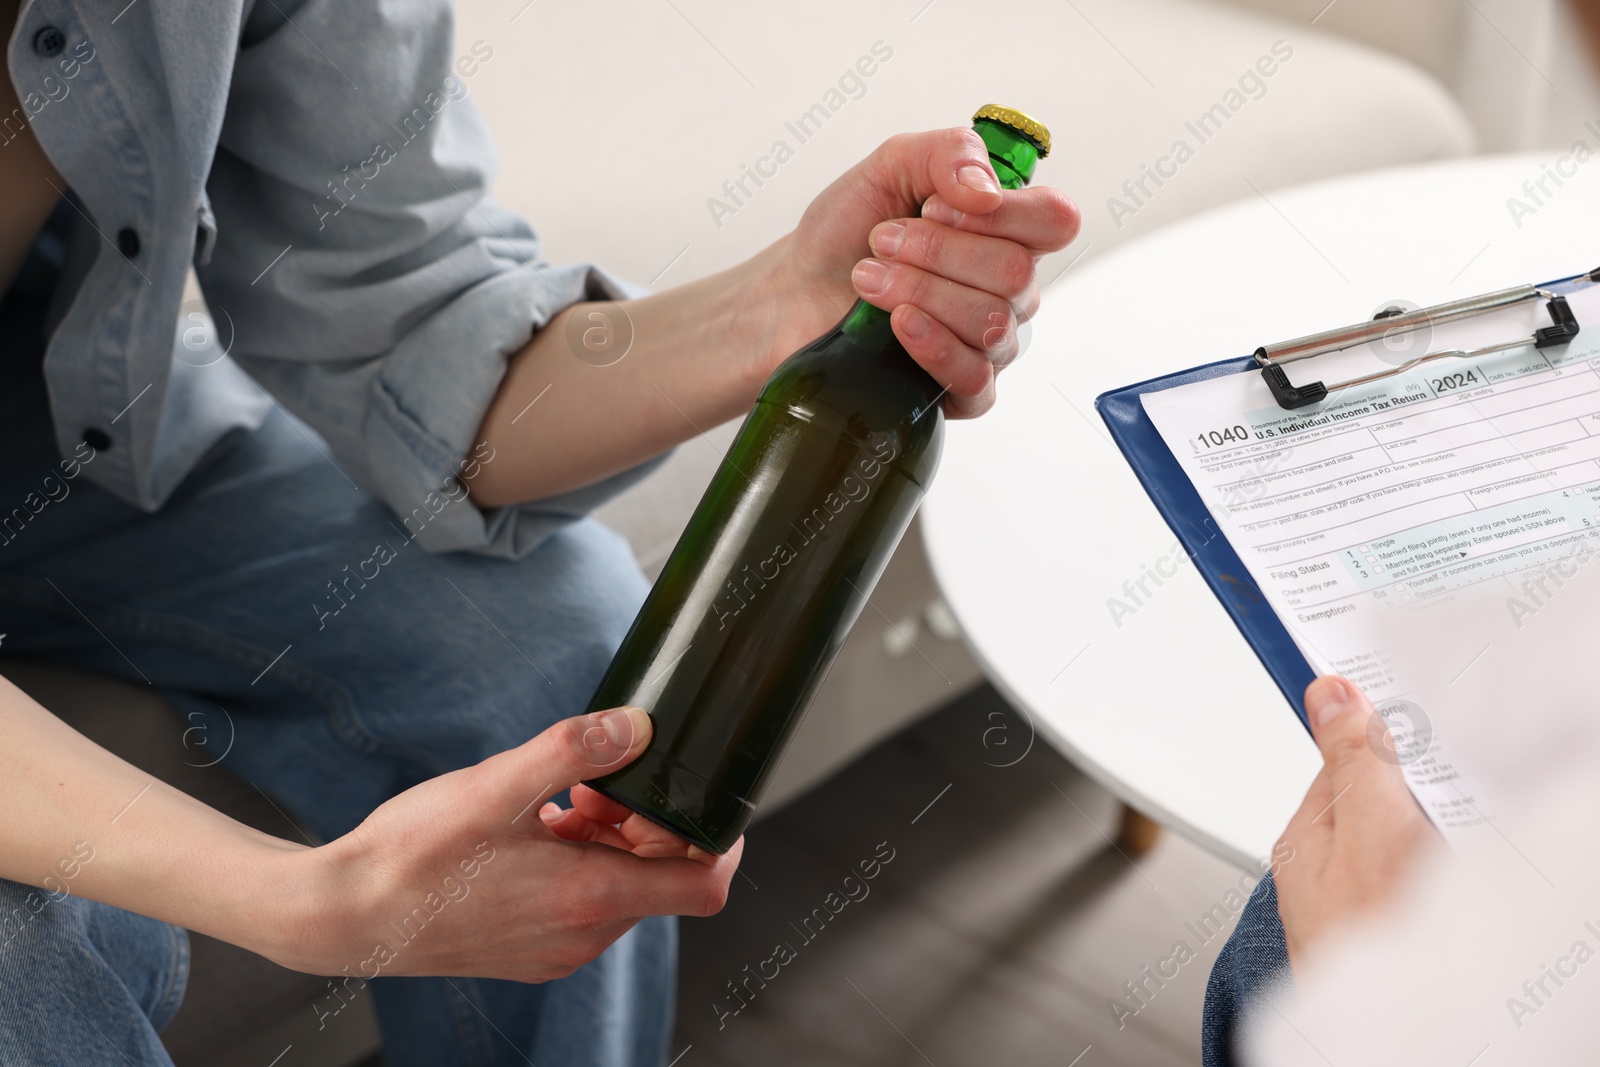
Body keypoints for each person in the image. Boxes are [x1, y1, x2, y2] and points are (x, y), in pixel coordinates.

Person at [0, 2, 1079, 1065]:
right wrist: (302, 898)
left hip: (50, 419)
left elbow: (407, 316)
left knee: (560, 640)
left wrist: (788, 297)